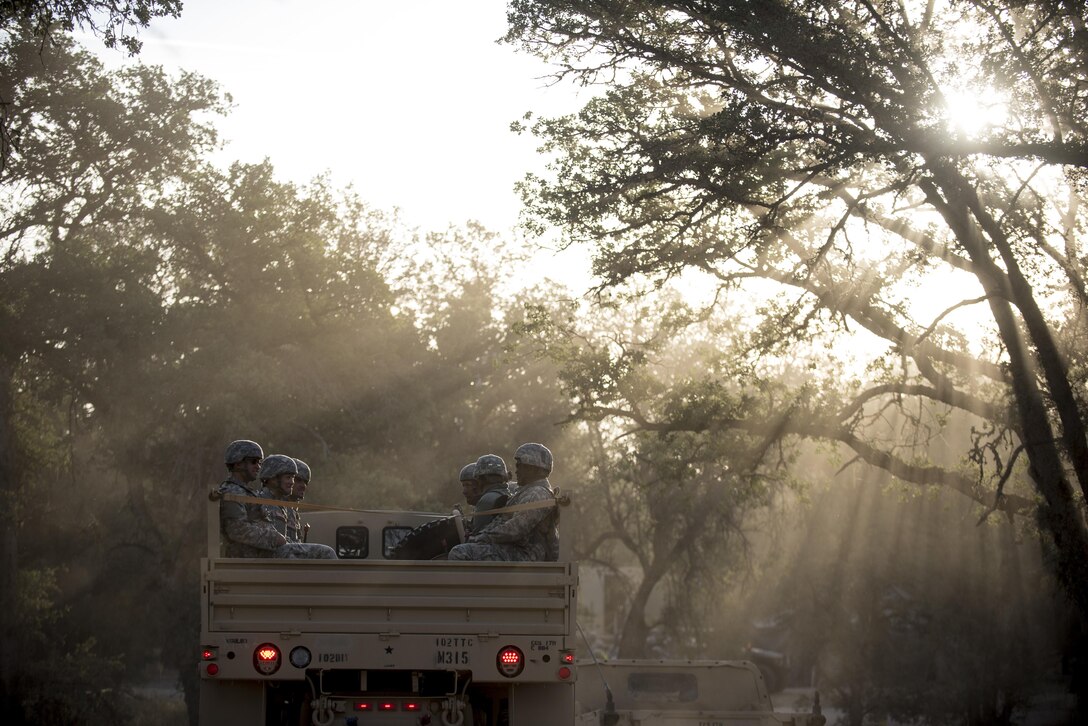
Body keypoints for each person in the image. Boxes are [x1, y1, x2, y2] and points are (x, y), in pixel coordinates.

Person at [448, 443, 558, 562]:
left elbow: (515, 529)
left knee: (460, 553)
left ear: (532, 468)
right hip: (518, 550)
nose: (516, 471)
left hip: (527, 555)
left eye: (519, 466)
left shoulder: (538, 494)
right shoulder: (526, 492)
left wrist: (483, 537)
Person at [256, 454, 337, 559]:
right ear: (274, 477)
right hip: (270, 559)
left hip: (280, 557)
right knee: (326, 553)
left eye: (305, 482)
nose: (303, 486)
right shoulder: (262, 501)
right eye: (297, 480)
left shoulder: (284, 507)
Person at [467, 454, 511, 532]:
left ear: (483, 478)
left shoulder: (487, 499)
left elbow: (476, 532)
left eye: (477, 478)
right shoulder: (508, 493)